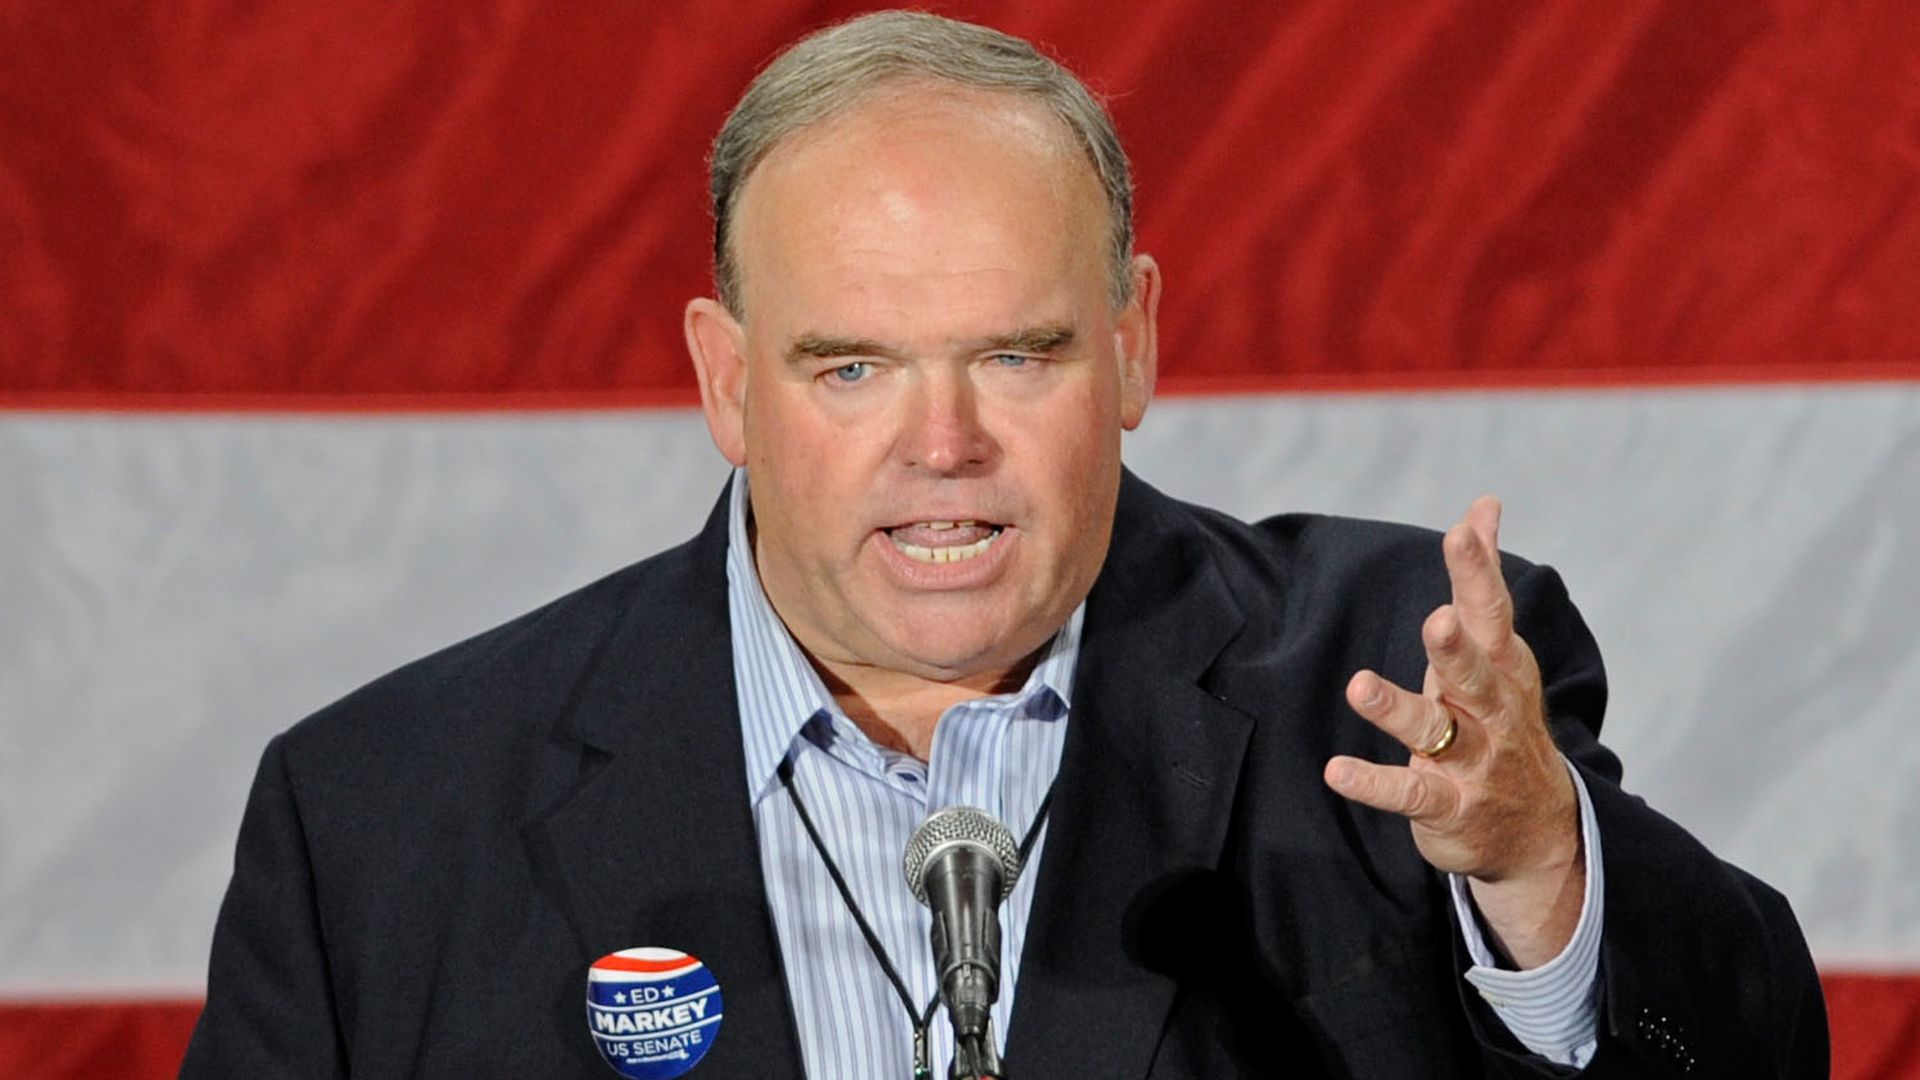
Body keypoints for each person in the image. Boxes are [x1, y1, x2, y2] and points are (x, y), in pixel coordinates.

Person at [181, 11, 1825, 1078]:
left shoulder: (1389, 687)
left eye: (1017, 354)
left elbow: (1757, 1059)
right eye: (851, 367)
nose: (944, 444)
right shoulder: (383, 822)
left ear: (1135, 347)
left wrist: (1544, 874)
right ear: (723, 384)